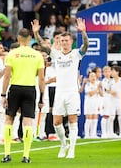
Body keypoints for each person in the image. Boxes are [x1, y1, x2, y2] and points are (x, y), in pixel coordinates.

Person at [32, 18, 89, 159]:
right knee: (56, 122)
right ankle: (64, 144)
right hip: (59, 92)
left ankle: (72, 150)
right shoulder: (55, 54)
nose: (64, 43)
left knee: (72, 121)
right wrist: (36, 33)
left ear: (71, 42)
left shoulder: (76, 54)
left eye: (66, 41)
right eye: (61, 41)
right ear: (59, 42)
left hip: (72, 93)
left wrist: (83, 32)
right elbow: (41, 45)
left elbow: (86, 46)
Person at [1, 28, 45, 163]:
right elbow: (41, 79)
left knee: (9, 120)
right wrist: (42, 97)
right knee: (27, 122)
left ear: (18, 39)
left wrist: (3, 94)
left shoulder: (12, 54)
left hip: (15, 88)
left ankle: (7, 153)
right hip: (30, 89)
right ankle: (26, 155)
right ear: (30, 39)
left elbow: (7, 76)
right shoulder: (37, 55)